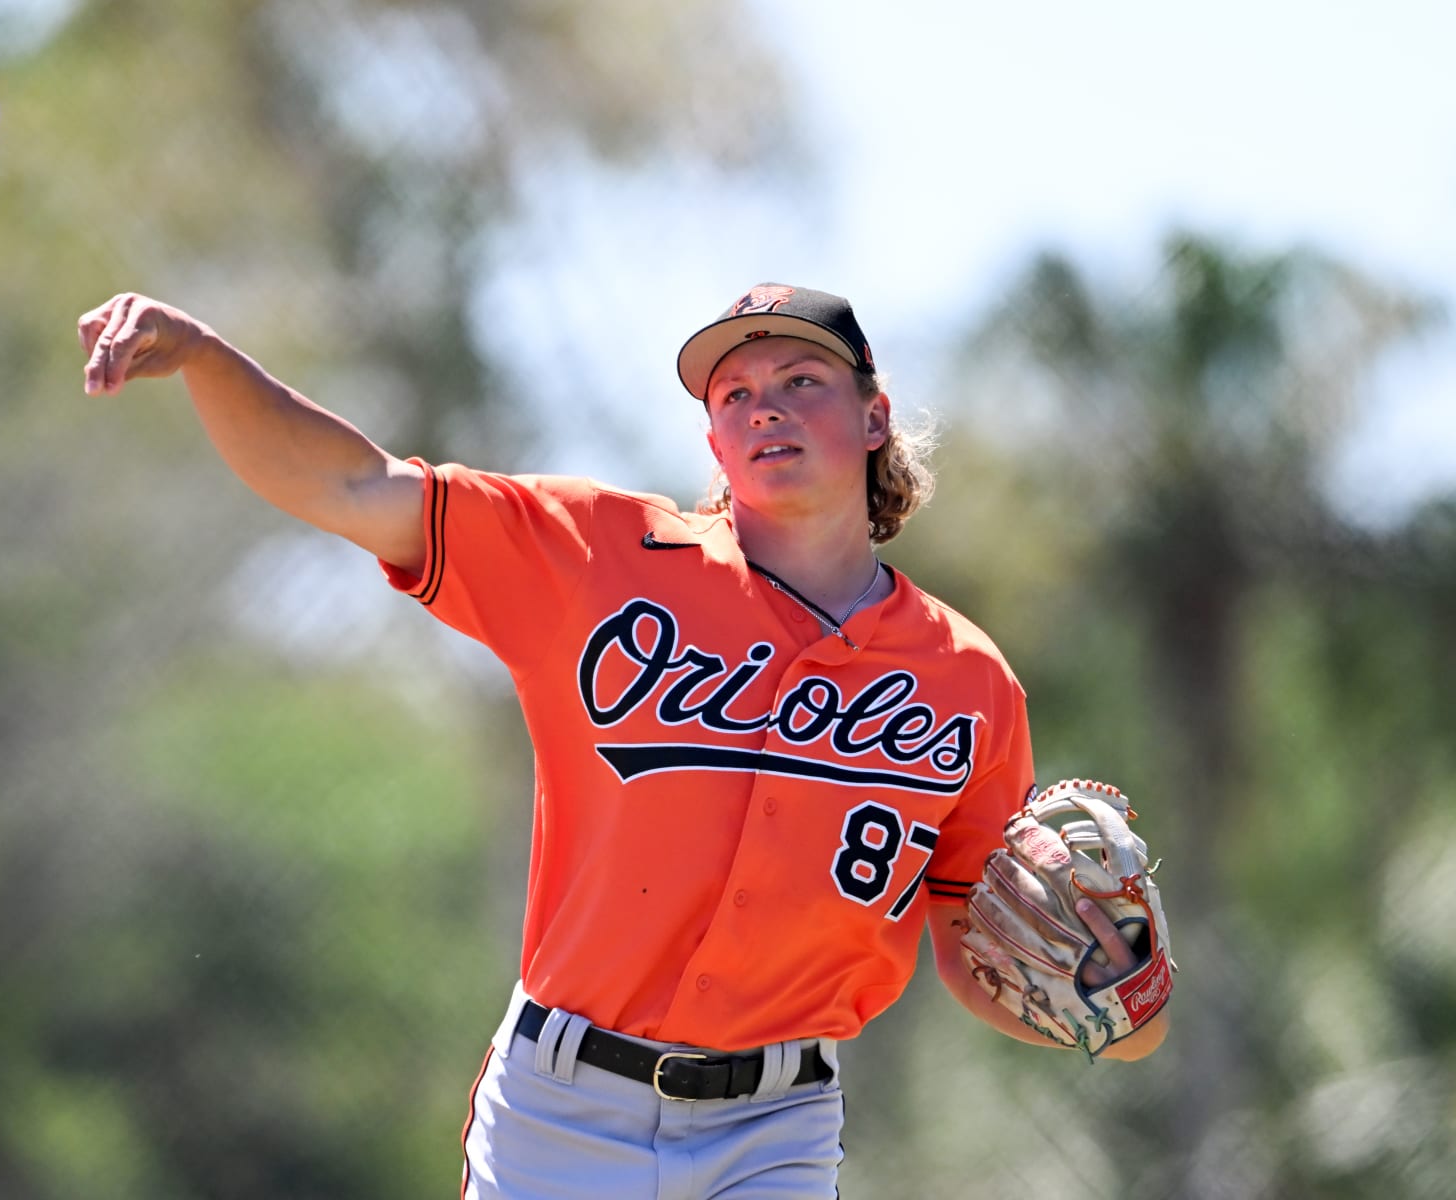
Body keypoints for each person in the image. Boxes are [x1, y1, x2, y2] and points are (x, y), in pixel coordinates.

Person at [77, 282, 1168, 1199]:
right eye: (735, 394)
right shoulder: (598, 558)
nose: (764, 408)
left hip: (774, 1133)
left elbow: (978, 951)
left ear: (874, 417)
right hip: (564, 1115)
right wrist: (208, 357)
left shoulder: (968, 681)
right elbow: (356, 485)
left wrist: (1116, 996)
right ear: (712, 439)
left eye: (802, 383)